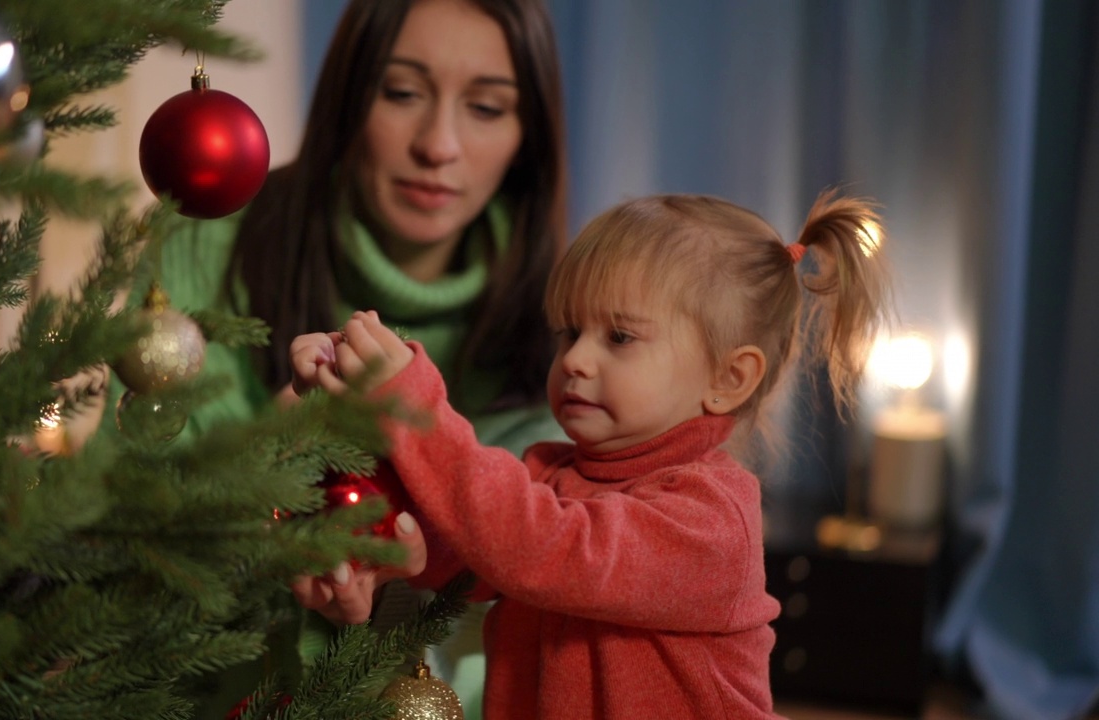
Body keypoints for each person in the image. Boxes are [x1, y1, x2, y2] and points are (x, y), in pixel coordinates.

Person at [119, 0, 570, 715]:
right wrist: (265, 472)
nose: (439, 144)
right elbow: (142, 523)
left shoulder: (570, 326)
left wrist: (407, 594)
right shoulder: (209, 238)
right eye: (401, 92)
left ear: (529, 136)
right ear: (347, 95)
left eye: (486, 107)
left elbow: (540, 596)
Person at [290, 190, 895, 718]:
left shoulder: (710, 517)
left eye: (620, 337)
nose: (576, 359)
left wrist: (415, 412)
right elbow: (483, 555)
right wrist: (398, 547)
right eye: (569, 333)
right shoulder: (551, 473)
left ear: (729, 379)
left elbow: (542, 547)